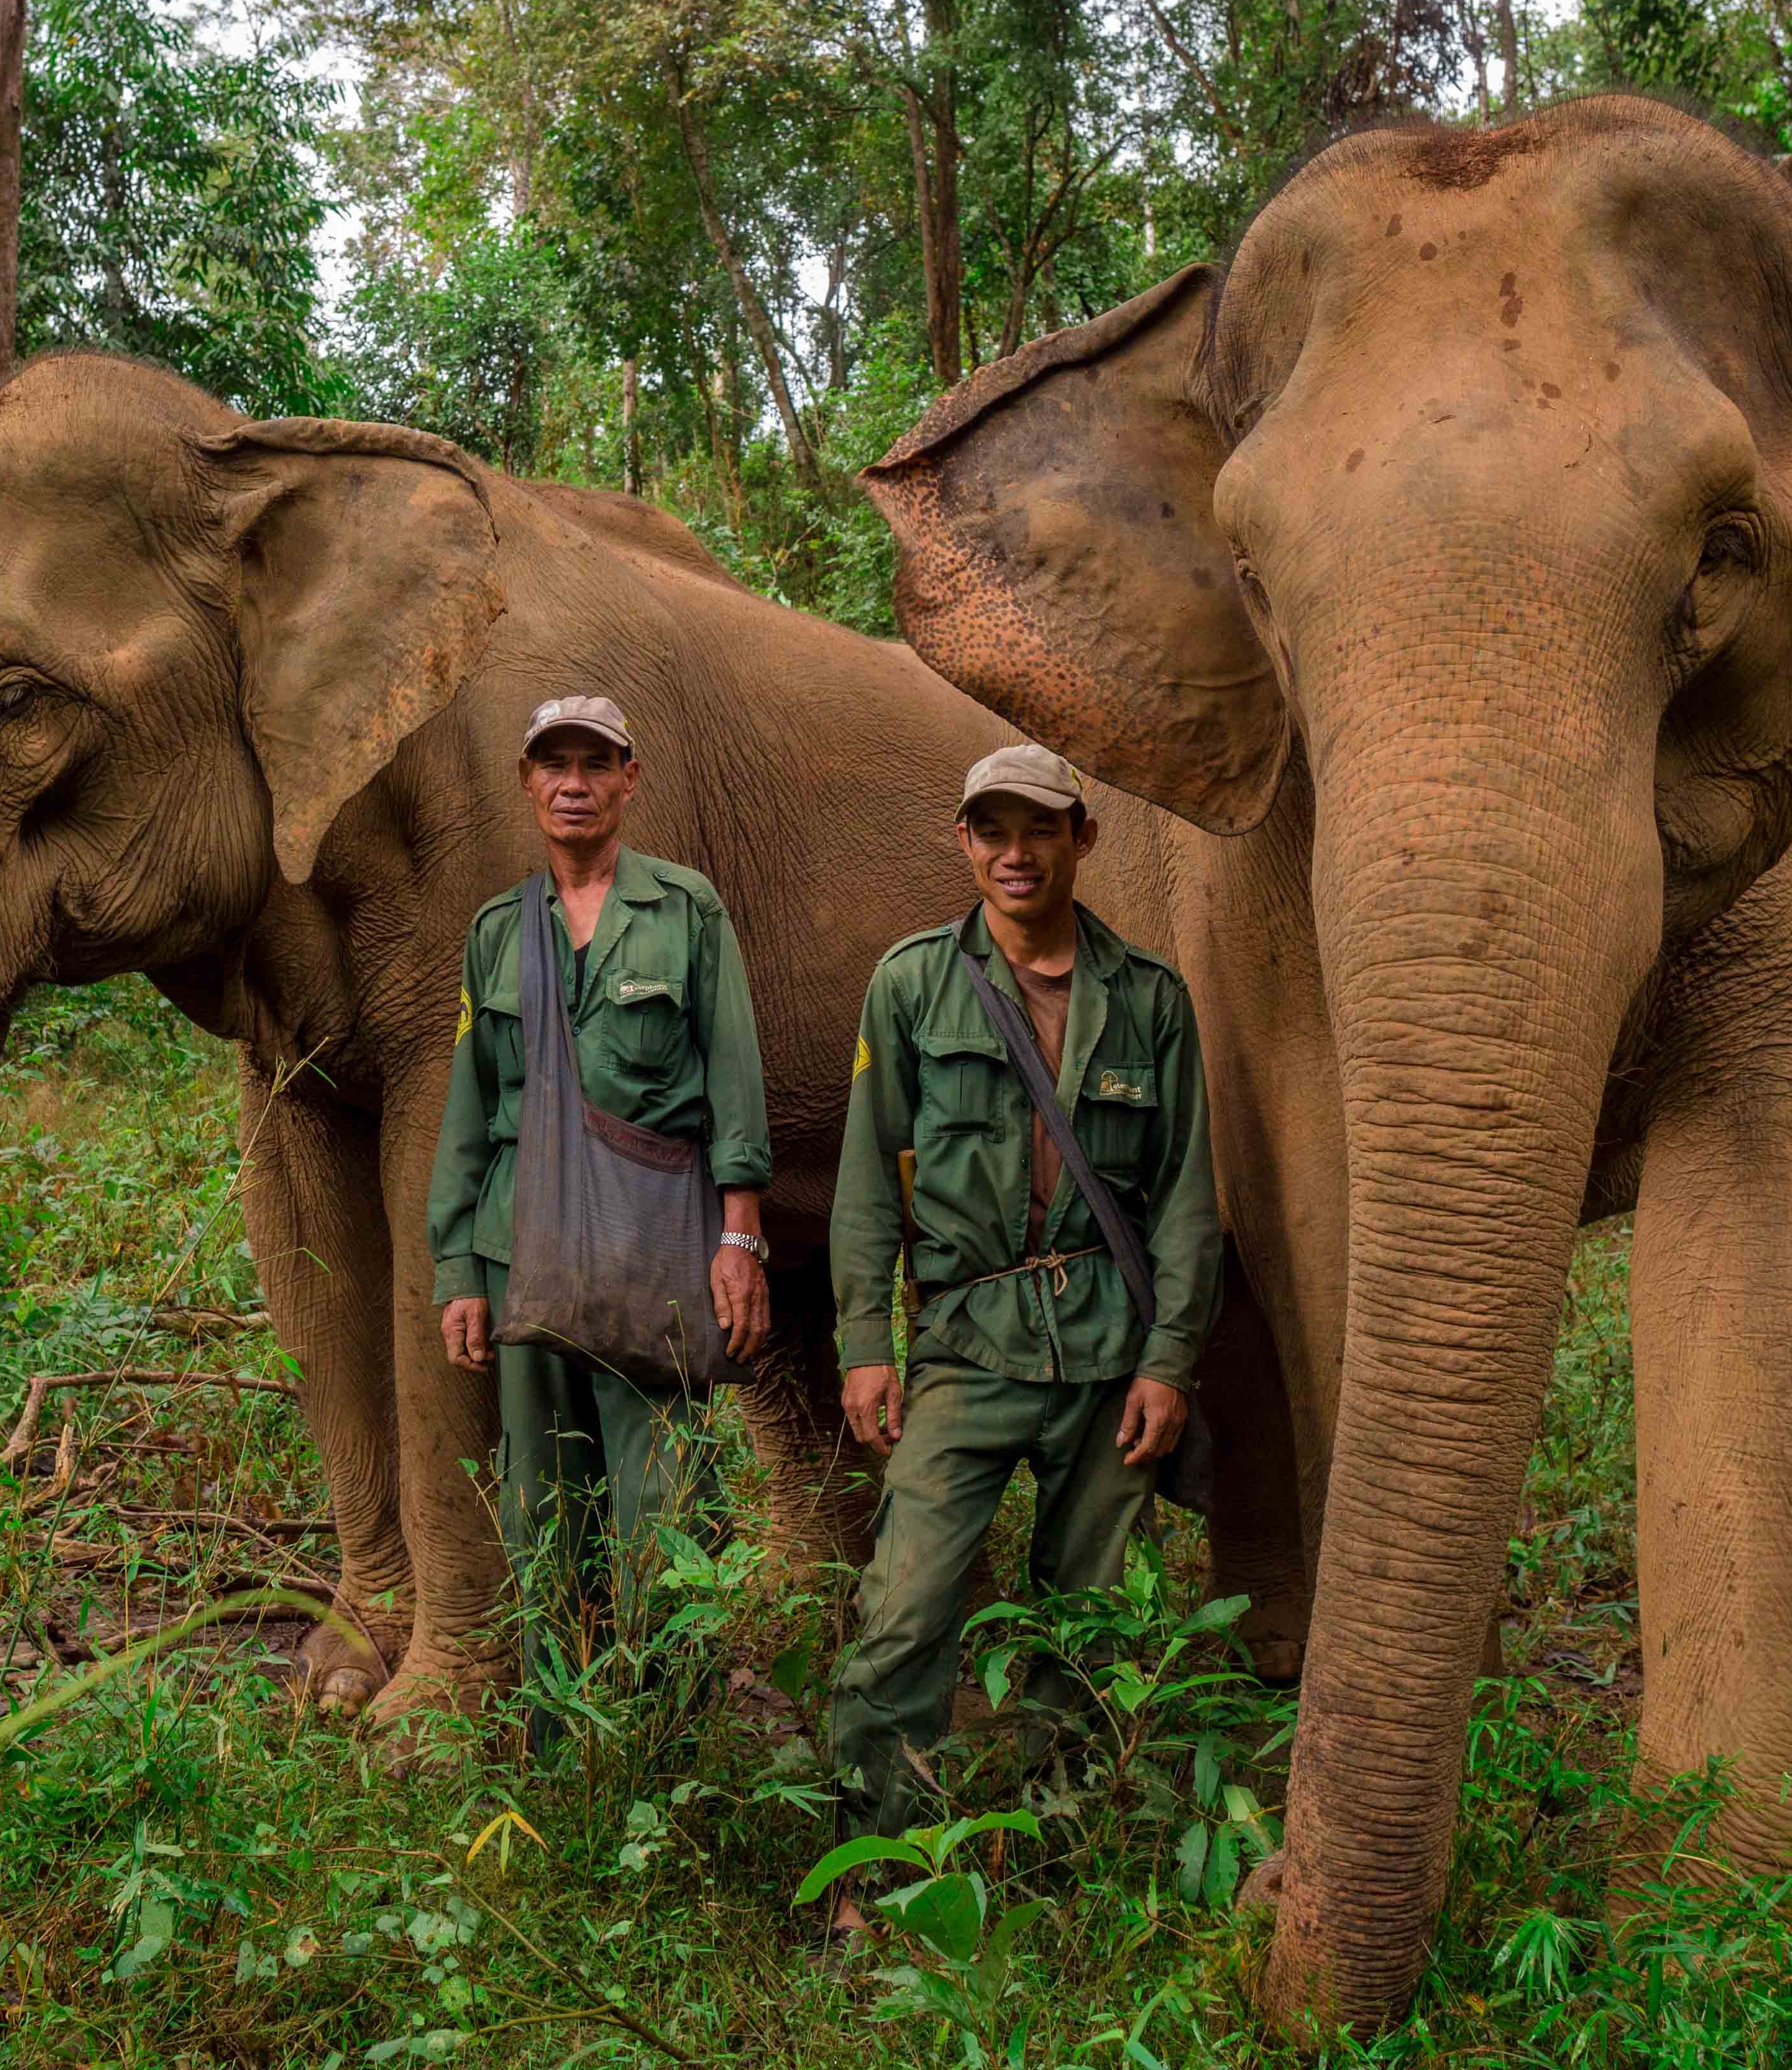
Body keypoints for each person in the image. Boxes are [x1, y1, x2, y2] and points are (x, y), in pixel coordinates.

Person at [820, 742, 1220, 1923]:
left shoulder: (1149, 1000)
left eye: (1037, 829)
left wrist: (1170, 1362)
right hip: (965, 1346)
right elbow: (864, 1183)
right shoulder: (910, 988)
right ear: (964, 844)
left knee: (1090, 1625)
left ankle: (1056, 1866)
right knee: (905, 1612)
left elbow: (1189, 1200)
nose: (1013, 852)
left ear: (1080, 838)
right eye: (990, 831)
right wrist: (864, 1343)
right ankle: (873, 1872)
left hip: (1107, 1355)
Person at [429, 695, 776, 1736]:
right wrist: (457, 1272)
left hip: (656, 1248)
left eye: (596, 763)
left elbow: (734, 1077)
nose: (574, 782)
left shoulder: (686, 911)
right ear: (527, 784)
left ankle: (669, 1744)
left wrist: (741, 1234)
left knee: (665, 1507)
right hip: (520, 1252)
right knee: (543, 1512)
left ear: (629, 779)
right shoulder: (498, 933)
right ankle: (564, 1750)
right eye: (554, 764)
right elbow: (466, 1112)